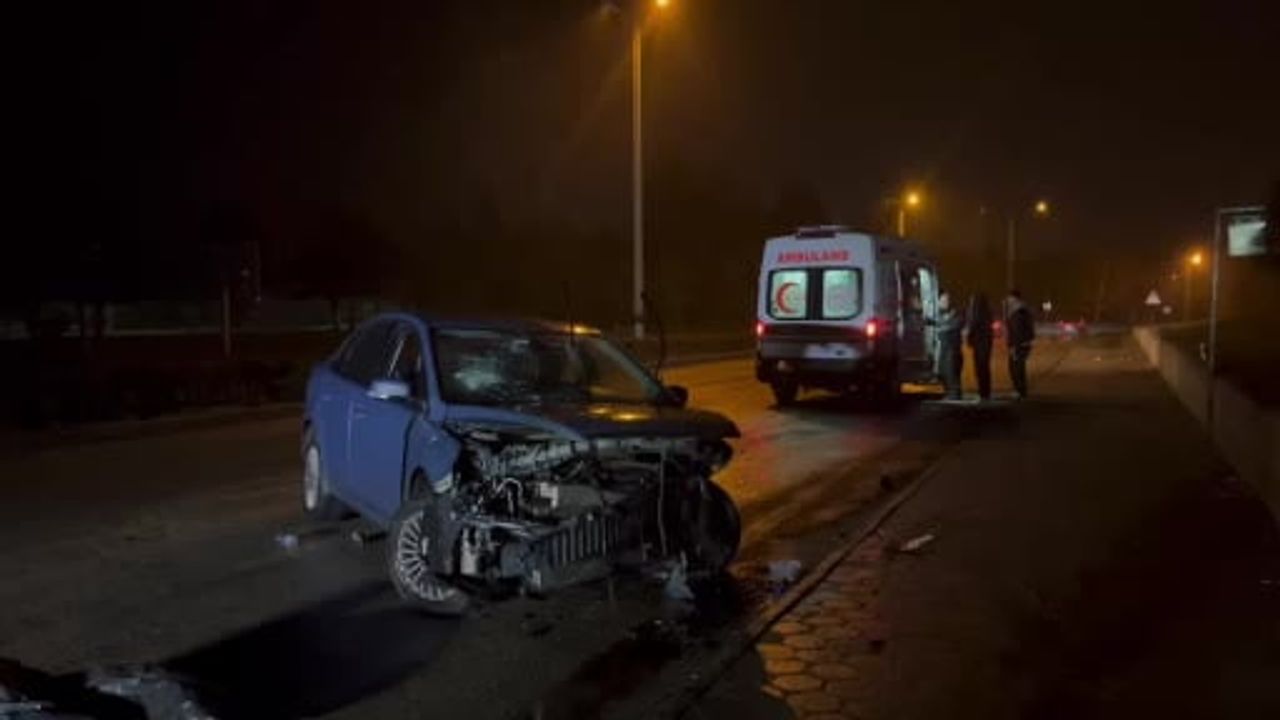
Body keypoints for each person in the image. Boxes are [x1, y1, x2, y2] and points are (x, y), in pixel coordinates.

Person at [1005, 289, 1036, 399]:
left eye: (1009, 298)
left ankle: (1019, 391)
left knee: (1015, 368)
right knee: (1018, 367)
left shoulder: (1018, 312)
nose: (1008, 300)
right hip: (1022, 344)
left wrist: (1014, 346)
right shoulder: (1022, 310)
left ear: (1014, 298)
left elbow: (1017, 331)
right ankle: (1021, 390)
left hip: (1019, 345)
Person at [936, 291, 965, 400]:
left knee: (952, 372)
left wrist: (939, 326)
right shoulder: (939, 315)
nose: (944, 302)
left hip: (953, 350)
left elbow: (954, 326)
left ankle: (955, 395)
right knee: (943, 372)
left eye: (946, 300)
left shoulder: (957, 314)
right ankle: (950, 393)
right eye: (942, 300)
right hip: (944, 349)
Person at [965, 292, 995, 401]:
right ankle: (985, 393)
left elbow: (972, 328)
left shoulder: (977, 315)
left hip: (980, 346)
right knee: (985, 369)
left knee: (980, 369)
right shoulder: (988, 315)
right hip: (985, 345)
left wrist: (969, 339)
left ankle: (983, 393)